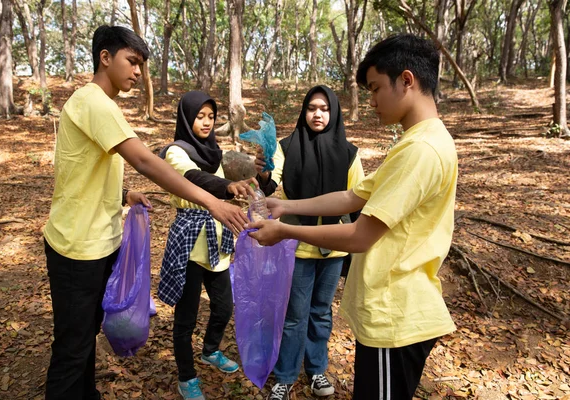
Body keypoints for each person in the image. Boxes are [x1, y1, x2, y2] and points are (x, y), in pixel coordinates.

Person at [42, 26, 248, 400]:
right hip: (76, 248)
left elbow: (80, 170)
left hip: (96, 243)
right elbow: (145, 160)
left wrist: (124, 194)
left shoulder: (99, 104)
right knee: (72, 349)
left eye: (141, 64)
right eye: (132, 61)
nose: (138, 71)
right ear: (105, 58)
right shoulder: (95, 103)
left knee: (84, 338)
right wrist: (212, 201)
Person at [248, 34, 458, 400]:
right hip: (391, 311)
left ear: (406, 81)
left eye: (376, 88)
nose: (371, 100)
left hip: (396, 316)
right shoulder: (414, 143)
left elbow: (361, 235)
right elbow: (352, 196)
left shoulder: (421, 149)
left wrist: (283, 231)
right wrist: (288, 207)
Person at [254, 85, 364, 400]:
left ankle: (316, 371)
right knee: (295, 314)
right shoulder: (286, 147)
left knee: (321, 311)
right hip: (296, 244)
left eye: (324, 108)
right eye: (312, 108)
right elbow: (271, 185)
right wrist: (262, 173)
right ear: (304, 111)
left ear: (334, 113)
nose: (318, 114)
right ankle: (285, 377)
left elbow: (357, 202)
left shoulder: (350, 154)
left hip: (333, 247)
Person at [157, 91, 256, 400]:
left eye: (211, 117)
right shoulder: (175, 151)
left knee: (224, 305)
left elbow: (248, 177)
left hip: (218, 237)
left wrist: (257, 170)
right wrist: (226, 187)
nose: (205, 122)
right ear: (187, 118)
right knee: (185, 317)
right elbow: (193, 178)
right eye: (199, 116)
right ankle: (186, 377)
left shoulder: (217, 152)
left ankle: (210, 350)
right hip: (190, 240)